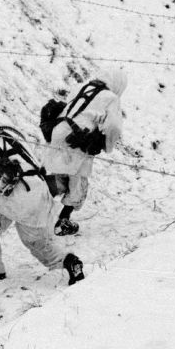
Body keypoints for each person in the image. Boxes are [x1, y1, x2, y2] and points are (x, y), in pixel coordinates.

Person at [0, 104, 84, 285]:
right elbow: (34, 162)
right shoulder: (8, 135)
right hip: (38, 192)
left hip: (11, 200)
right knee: (36, 242)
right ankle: (68, 261)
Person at [42, 68, 128, 237]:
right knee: (78, 183)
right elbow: (113, 126)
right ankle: (63, 220)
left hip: (60, 132)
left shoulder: (81, 87)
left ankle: (36, 200)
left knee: (60, 175)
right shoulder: (110, 98)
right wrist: (106, 145)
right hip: (79, 141)